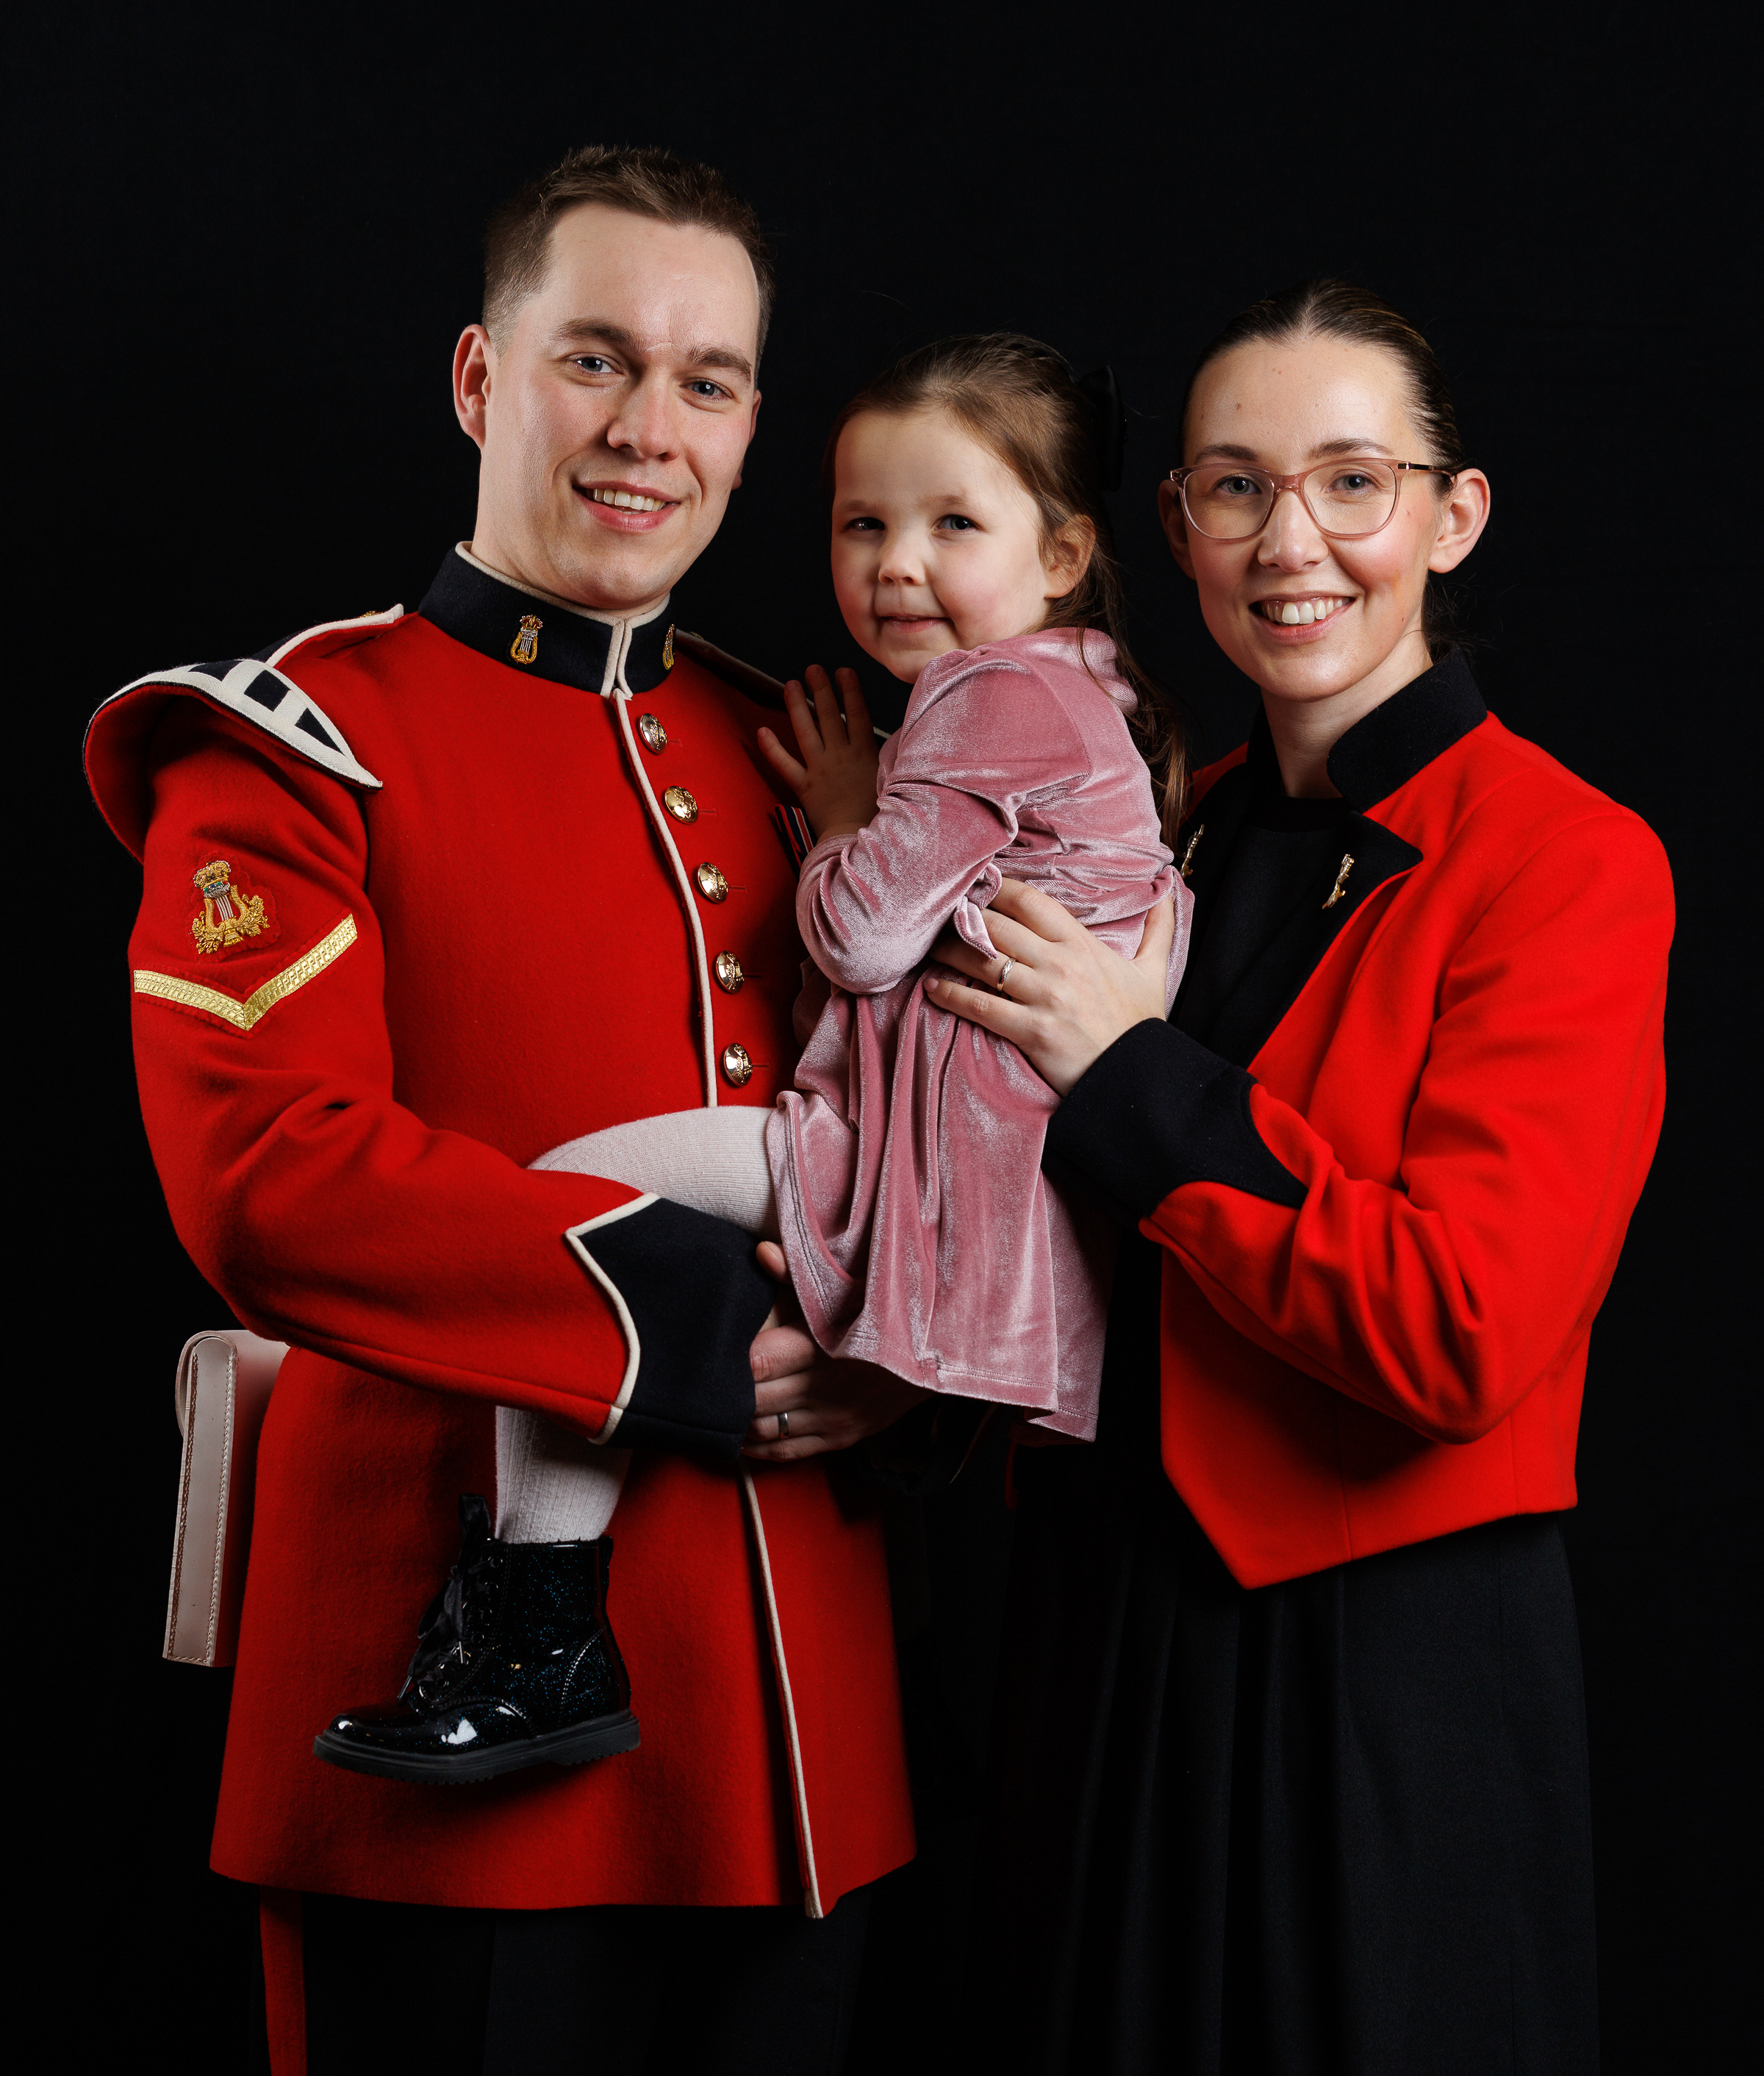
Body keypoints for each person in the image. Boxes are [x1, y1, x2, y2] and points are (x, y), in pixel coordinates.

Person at [85, 144, 920, 2075]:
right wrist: (731, 1337)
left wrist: (910, 1364)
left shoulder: (795, 751)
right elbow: (270, 1180)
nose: (652, 429)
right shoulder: (298, 743)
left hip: (805, 1743)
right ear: (480, 379)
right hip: (444, 1744)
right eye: (596, 360)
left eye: (708, 382)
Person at [928, 281, 1674, 2075]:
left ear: (1451, 515)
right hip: (1098, 1639)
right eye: (1239, 487)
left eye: (1355, 482)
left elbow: (1458, 1330)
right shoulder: (1155, 821)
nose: (1295, 543)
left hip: (1376, 1679)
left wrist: (1134, 1076)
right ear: (1176, 524)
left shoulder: (1567, 861)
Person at [356, 335, 1186, 1730]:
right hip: (947, 1157)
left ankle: (536, 1623)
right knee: (589, 1222)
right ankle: (538, 1624)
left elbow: (863, 934)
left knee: (563, 1213)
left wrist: (852, 823)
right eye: (863, 523)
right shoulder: (1060, 689)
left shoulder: (993, 697)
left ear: (1062, 555)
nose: (896, 563)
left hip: (914, 1163)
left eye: (951, 524)